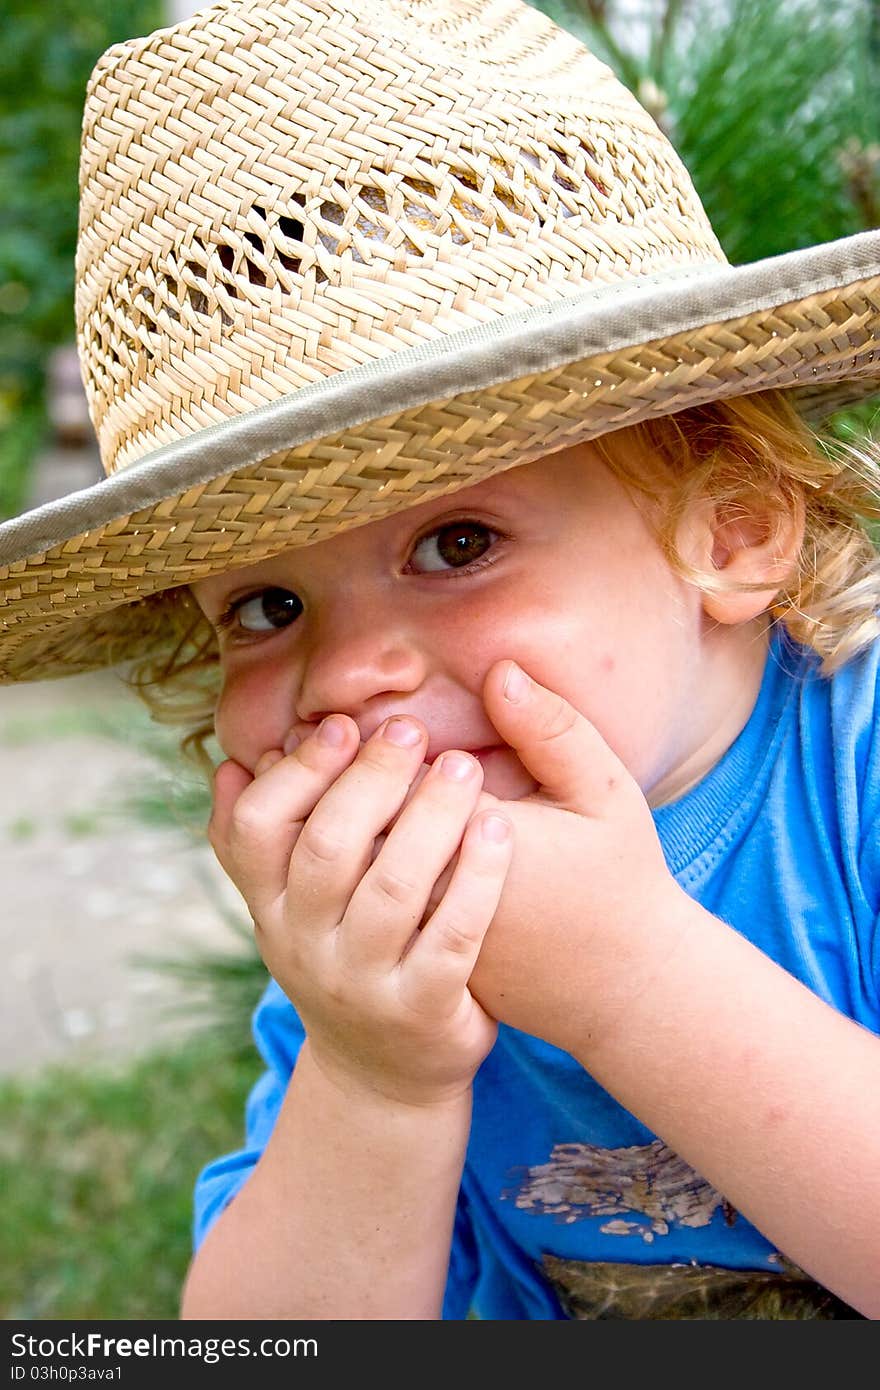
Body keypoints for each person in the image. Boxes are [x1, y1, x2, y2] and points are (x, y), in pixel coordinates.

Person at [0, 0, 878, 1320]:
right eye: (266, 606)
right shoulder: (377, 948)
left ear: (733, 530)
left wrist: (632, 976)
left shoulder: (852, 772)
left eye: (457, 539)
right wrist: (371, 1074)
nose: (349, 674)